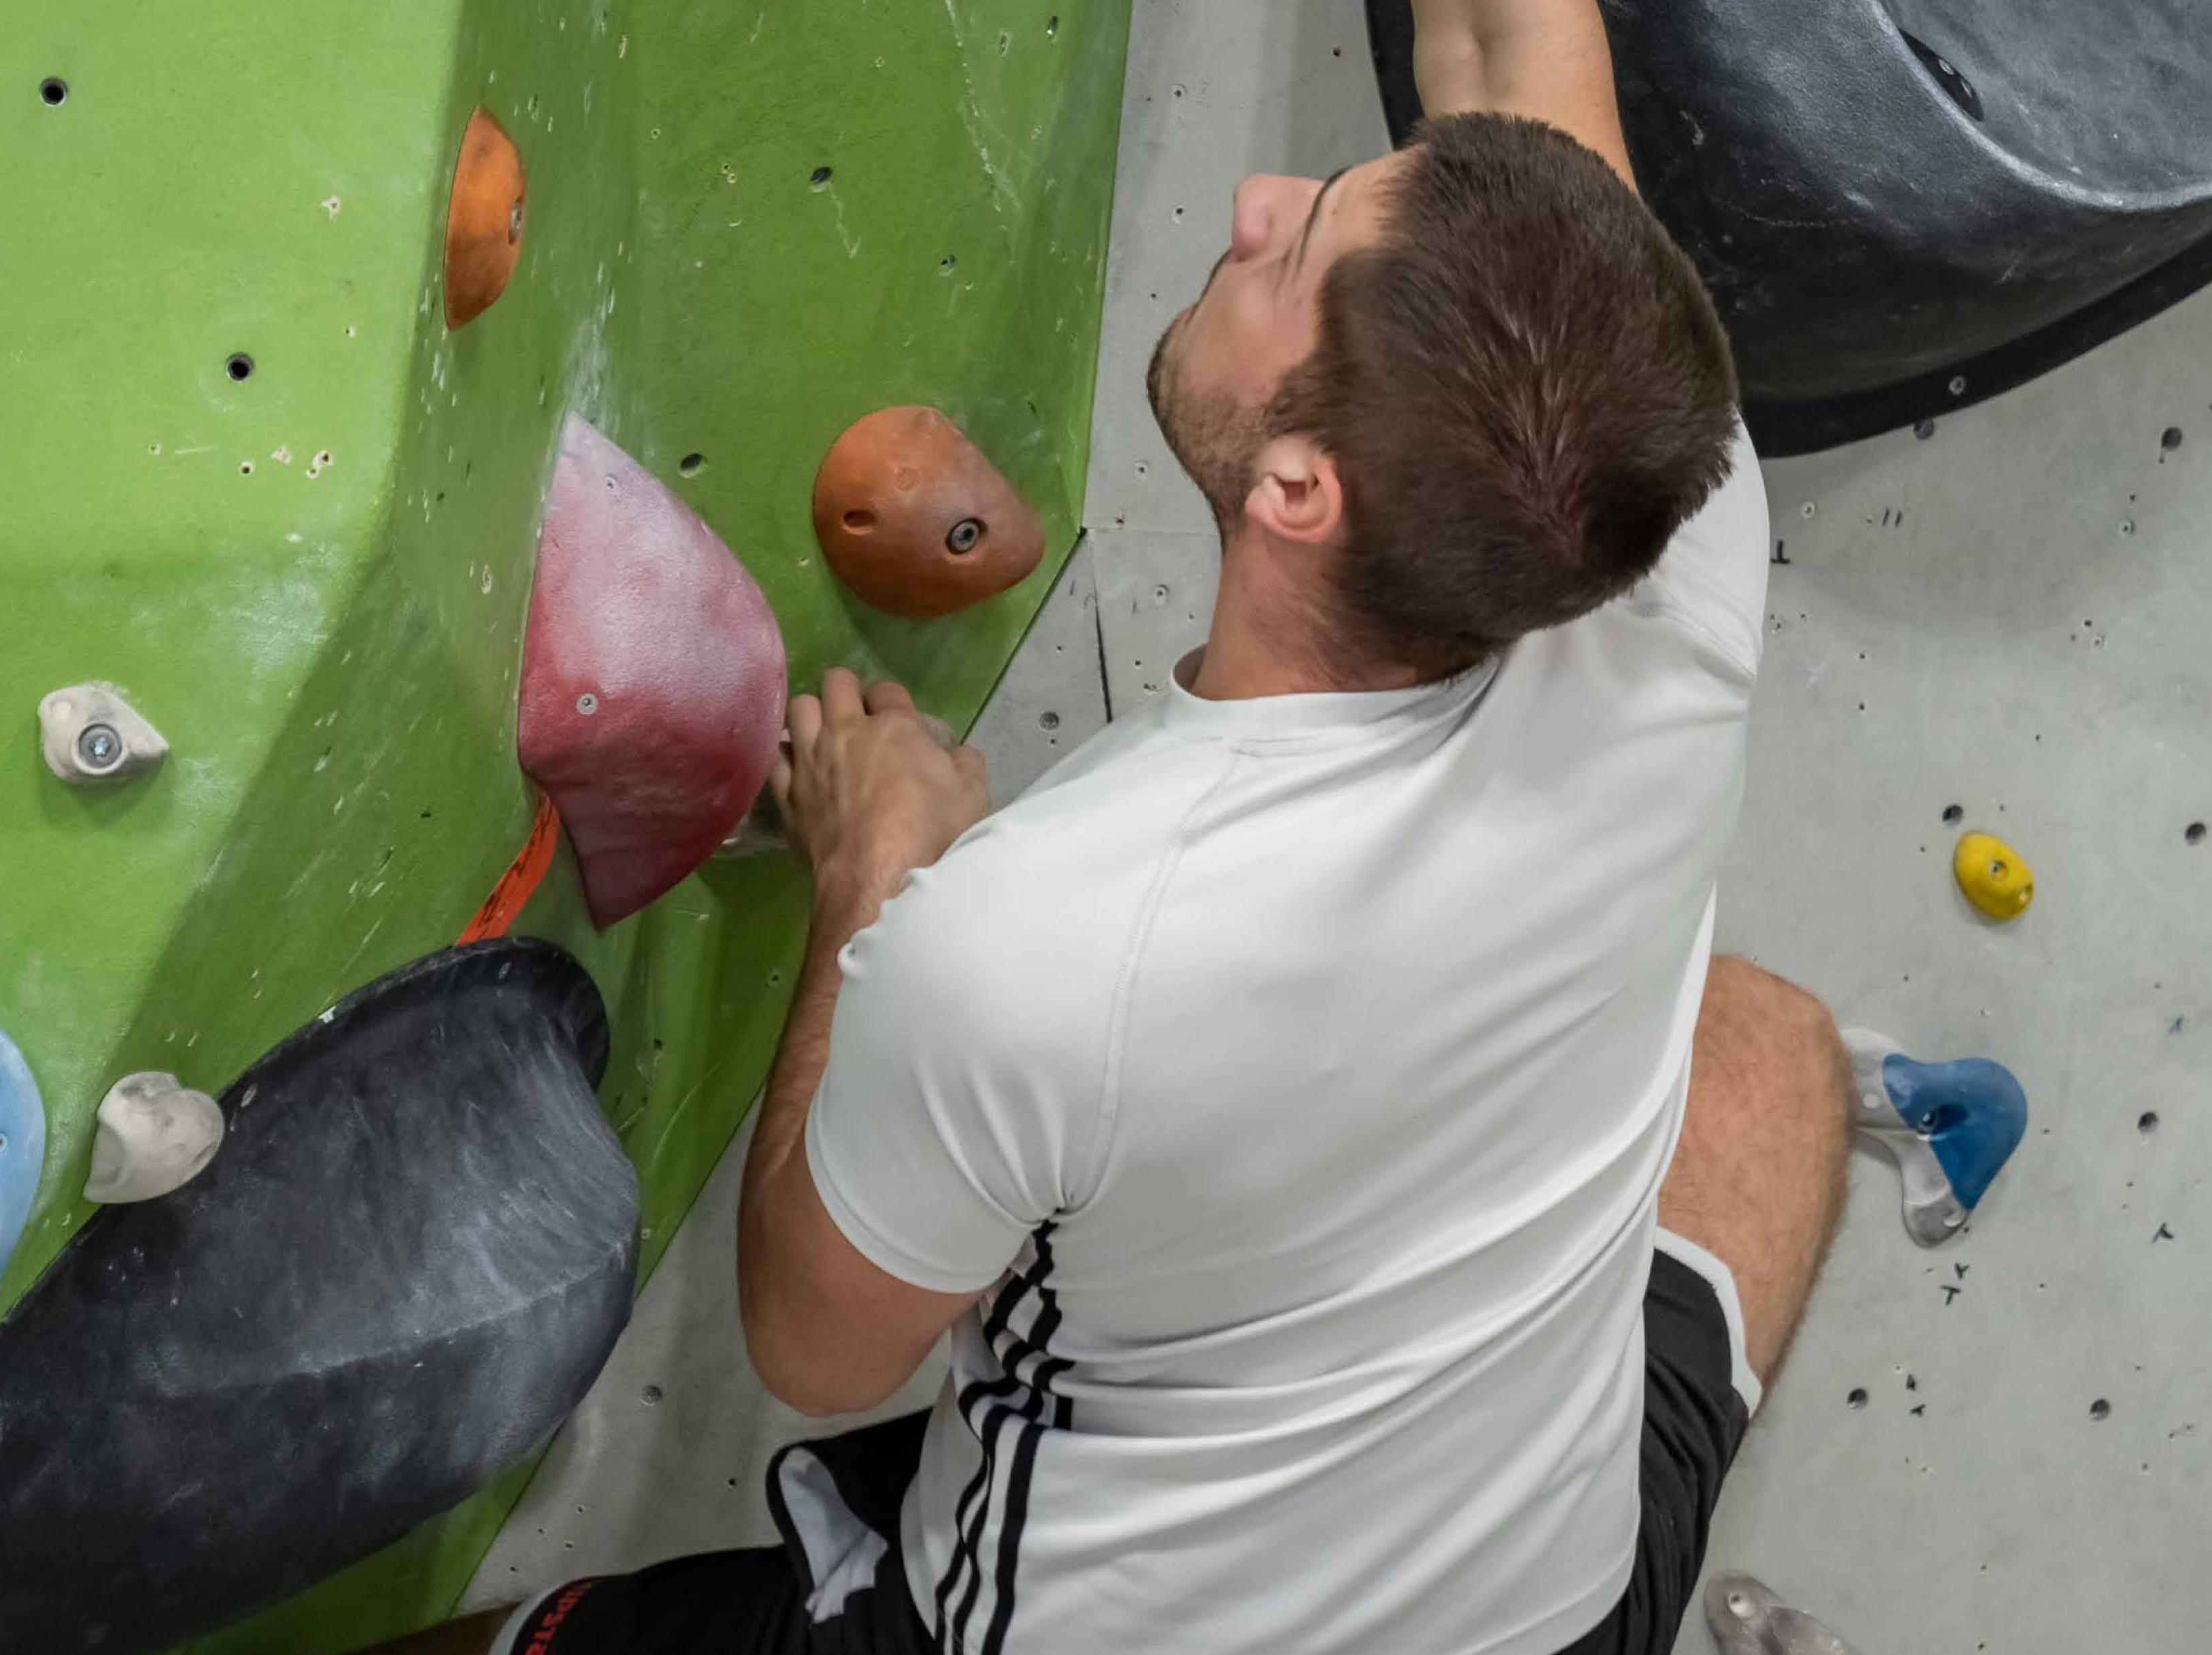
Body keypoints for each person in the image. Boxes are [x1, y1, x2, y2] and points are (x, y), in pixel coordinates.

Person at [381, 3, 2017, 1650]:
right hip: (1544, 1611)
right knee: (1767, 1048)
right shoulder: (1661, 534)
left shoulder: (1043, 942)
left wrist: (877, 871)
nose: (1251, 203)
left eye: (1291, 248)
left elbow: (817, 1342)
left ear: (1296, 488)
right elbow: (1505, 54)